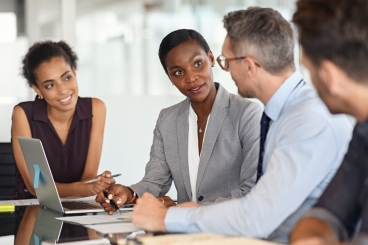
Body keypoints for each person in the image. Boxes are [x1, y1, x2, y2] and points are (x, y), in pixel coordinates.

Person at [129, 7, 353, 243]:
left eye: (227, 61)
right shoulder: (283, 114)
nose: (226, 70)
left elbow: (258, 215)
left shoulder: (308, 120)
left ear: (249, 65)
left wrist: (168, 218)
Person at [96, 29, 262, 210]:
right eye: (178, 73)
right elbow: (155, 181)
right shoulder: (167, 119)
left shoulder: (247, 114)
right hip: (182, 232)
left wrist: (184, 212)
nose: (191, 78)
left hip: (232, 231)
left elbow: (252, 191)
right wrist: (129, 194)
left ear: (211, 58)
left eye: (197, 64)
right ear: (169, 77)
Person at [289, 0, 368, 244]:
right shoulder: (362, 134)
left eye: (309, 70)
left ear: (329, 76)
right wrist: (312, 238)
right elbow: (328, 213)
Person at [12, 40, 111, 199]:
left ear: (74, 71)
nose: (63, 90)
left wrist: (97, 184)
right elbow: (37, 187)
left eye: (67, 77)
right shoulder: (24, 114)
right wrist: (83, 189)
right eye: (50, 85)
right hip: (32, 207)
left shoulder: (96, 109)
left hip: (74, 206)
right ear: (37, 89)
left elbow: (88, 178)